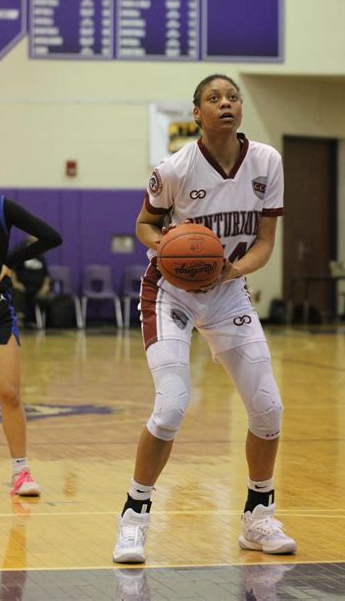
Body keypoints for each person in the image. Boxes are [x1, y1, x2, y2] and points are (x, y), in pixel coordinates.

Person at [113, 75, 296, 563]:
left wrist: (231, 270)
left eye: (232, 97)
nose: (225, 104)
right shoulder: (174, 168)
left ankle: (258, 517)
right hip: (170, 293)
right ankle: (134, 517)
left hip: (227, 290)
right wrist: (170, 249)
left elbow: (265, 242)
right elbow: (144, 224)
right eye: (213, 99)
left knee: (268, 408)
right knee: (171, 407)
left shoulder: (267, 162)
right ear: (197, 113)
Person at [0, 145, 62, 497]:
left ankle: (20, 472)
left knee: (9, 393)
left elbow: (51, 236)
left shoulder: (0, 207)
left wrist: (11, 261)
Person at [11, 236, 52, 327]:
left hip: (37, 289)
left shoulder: (40, 255)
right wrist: (15, 283)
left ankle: (39, 321)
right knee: (18, 292)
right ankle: (19, 319)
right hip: (22, 287)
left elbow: (46, 275)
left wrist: (45, 286)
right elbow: (12, 269)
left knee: (46, 298)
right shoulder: (20, 252)